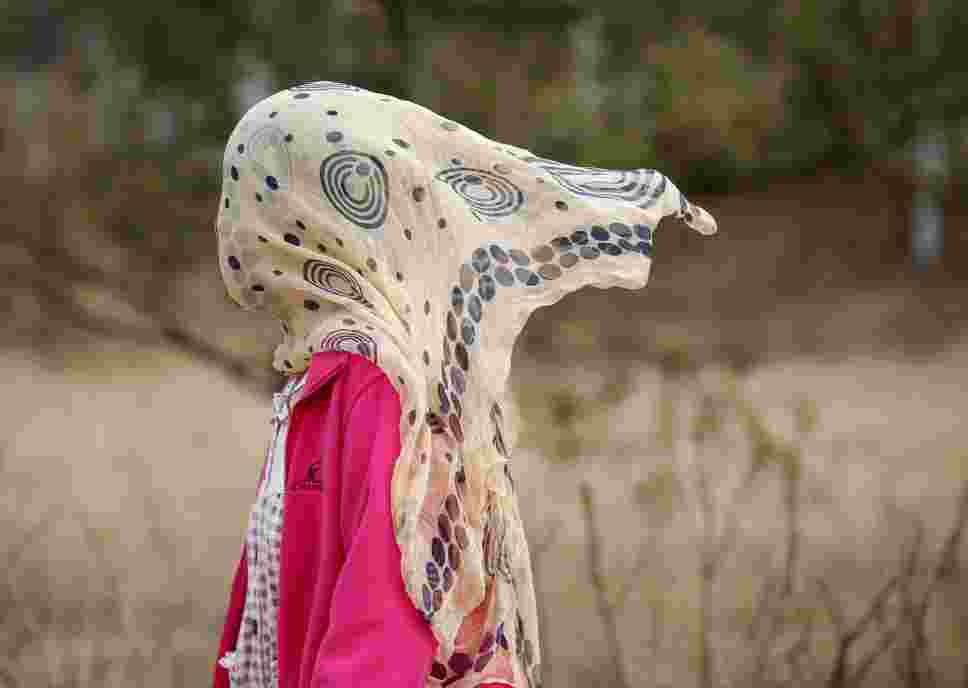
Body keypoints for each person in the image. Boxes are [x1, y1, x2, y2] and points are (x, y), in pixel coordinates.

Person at [212, 81, 716, 688]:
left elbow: (385, 606)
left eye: (245, 195)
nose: (232, 222)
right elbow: (268, 602)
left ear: (305, 221)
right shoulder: (320, 373)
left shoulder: (377, 378)